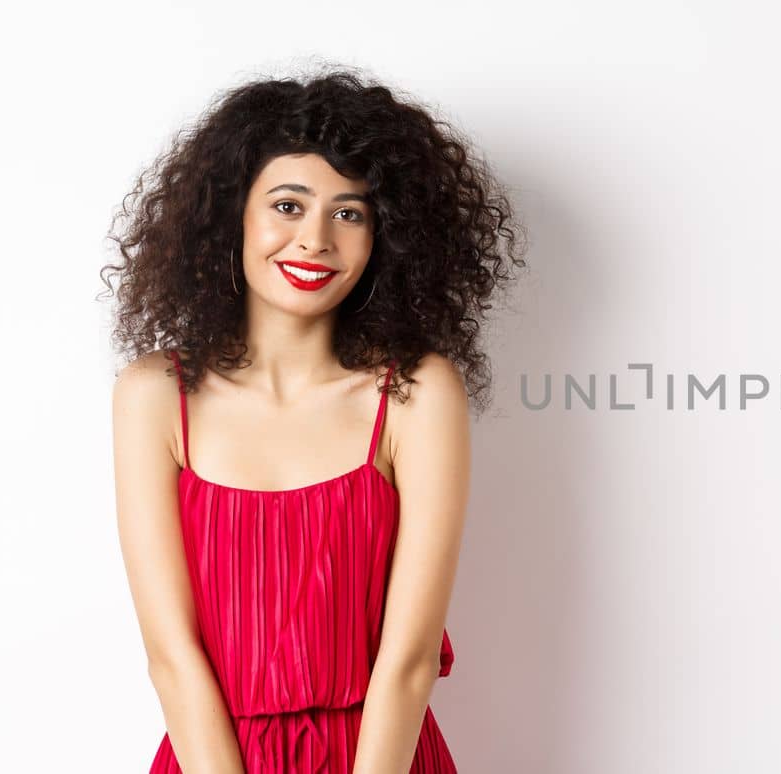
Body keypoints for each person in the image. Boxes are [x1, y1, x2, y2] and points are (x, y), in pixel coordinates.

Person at [100, 66, 526, 773]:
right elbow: (172, 657)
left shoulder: (416, 392)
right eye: (289, 206)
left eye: (350, 213)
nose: (317, 239)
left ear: (384, 237)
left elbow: (411, 659)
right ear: (231, 214)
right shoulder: (154, 396)